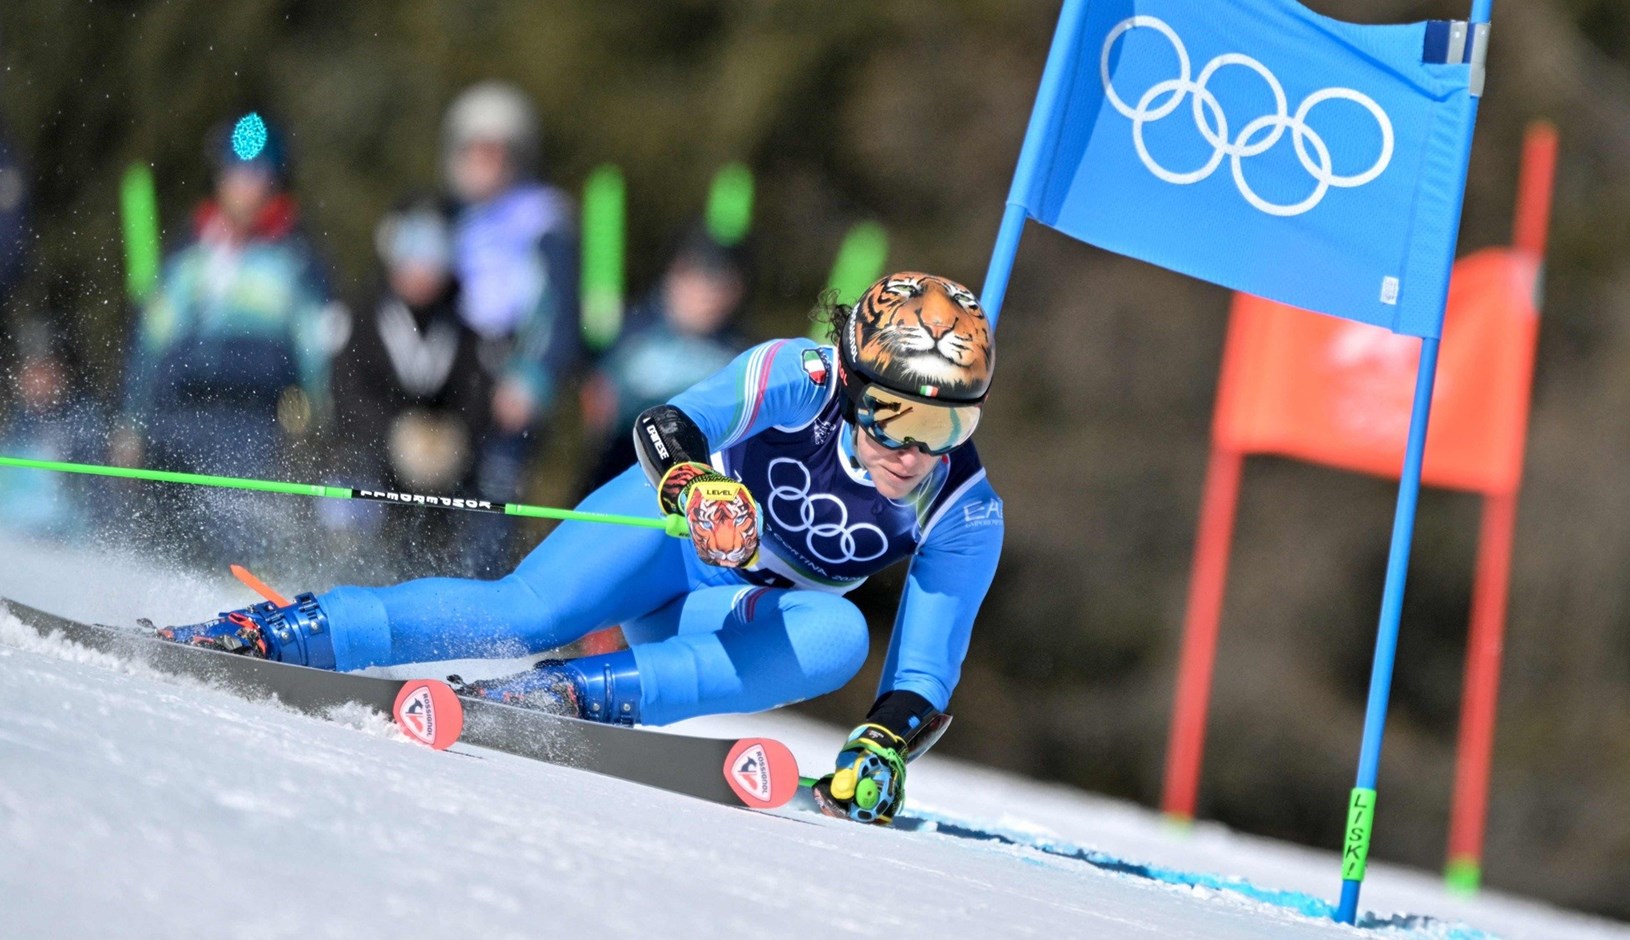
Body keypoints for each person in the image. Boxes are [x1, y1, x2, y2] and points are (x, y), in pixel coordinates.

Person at [159, 272, 1002, 826]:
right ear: (854, 385)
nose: (915, 450)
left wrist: (881, 748)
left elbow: (923, 672)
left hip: (723, 611)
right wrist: (695, 487)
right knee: (528, 613)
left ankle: (561, 698)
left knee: (839, 637)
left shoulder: (964, 508)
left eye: (949, 423)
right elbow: (671, 423)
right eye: (897, 415)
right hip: (667, 534)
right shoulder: (802, 377)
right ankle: (290, 631)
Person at [115, 115, 332, 556]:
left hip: (250, 424)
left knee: (234, 544)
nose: (243, 186)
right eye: (233, 172)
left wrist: (314, 420)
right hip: (174, 417)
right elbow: (149, 343)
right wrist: (131, 424)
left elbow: (318, 350)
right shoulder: (190, 252)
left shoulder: (295, 260)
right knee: (155, 541)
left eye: (256, 174)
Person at [440, 81, 581, 574]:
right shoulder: (447, 221)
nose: (488, 163)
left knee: (492, 506)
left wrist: (532, 379)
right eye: (476, 151)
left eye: (500, 152)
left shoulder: (543, 220)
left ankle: (477, 617)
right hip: (452, 382)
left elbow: (561, 315)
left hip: (508, 383)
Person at [328, 196, 491, 576]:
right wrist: (394, 434)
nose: (422, 270)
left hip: (440, 485)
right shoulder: (362, 317)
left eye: (434, 256)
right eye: (412, 252)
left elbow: (477, 399)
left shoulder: (462, 331)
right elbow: (345, 395)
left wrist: (453, 437)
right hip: (370, 468)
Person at [578, 223, 751, 493]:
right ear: (673, 278)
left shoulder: (740, 358)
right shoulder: (630, 334)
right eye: (695, 279)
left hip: (695, 488)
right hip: (617, 474)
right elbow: (598, 405)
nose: (706, 296)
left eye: (720, 285)